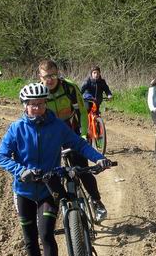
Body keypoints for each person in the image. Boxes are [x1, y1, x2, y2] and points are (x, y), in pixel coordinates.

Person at [0, 82, 112, 256]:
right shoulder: (16, 129)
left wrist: (99, 158)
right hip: (24, 190)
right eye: (32, 105)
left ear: (45, 104)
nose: (37, 108)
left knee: (46, 233)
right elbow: (1, 157)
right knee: (29, 237)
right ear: (25, 106)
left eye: (40, 104)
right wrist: (21, 171)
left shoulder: (57, 126)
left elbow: (79, 144)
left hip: (49, 187)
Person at [39, 59, 109, 221]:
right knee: (49, 174)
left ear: (58, 74)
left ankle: (96, 201)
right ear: (39, 77)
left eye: (53, 75)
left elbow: (83, 112)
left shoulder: (69, 87)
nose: (49, 80)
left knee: (82, 168)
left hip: (72, 131)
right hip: (50, 135)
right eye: (45, 77)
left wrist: (83, 134)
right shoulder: (39, 92)